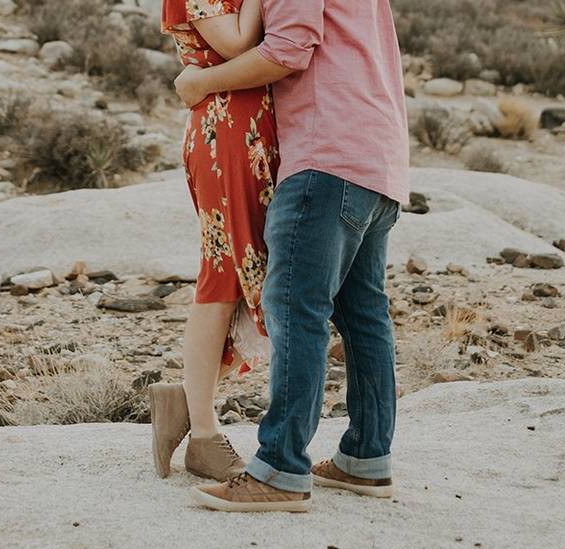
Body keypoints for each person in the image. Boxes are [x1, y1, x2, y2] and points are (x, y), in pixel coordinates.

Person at [174, 0, 410, 512]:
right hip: (379, 154)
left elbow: (287, 50)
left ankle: (280, 469)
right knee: (364, 312)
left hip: (326, 156)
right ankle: (366, 459)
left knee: (294, 307)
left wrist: (201, 84)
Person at [149, 0, 279, 483]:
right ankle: (202, 434)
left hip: (252, 130)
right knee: (225, 275)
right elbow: (239, 44)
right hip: (226, 130)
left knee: (256, 277)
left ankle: (185, 399)